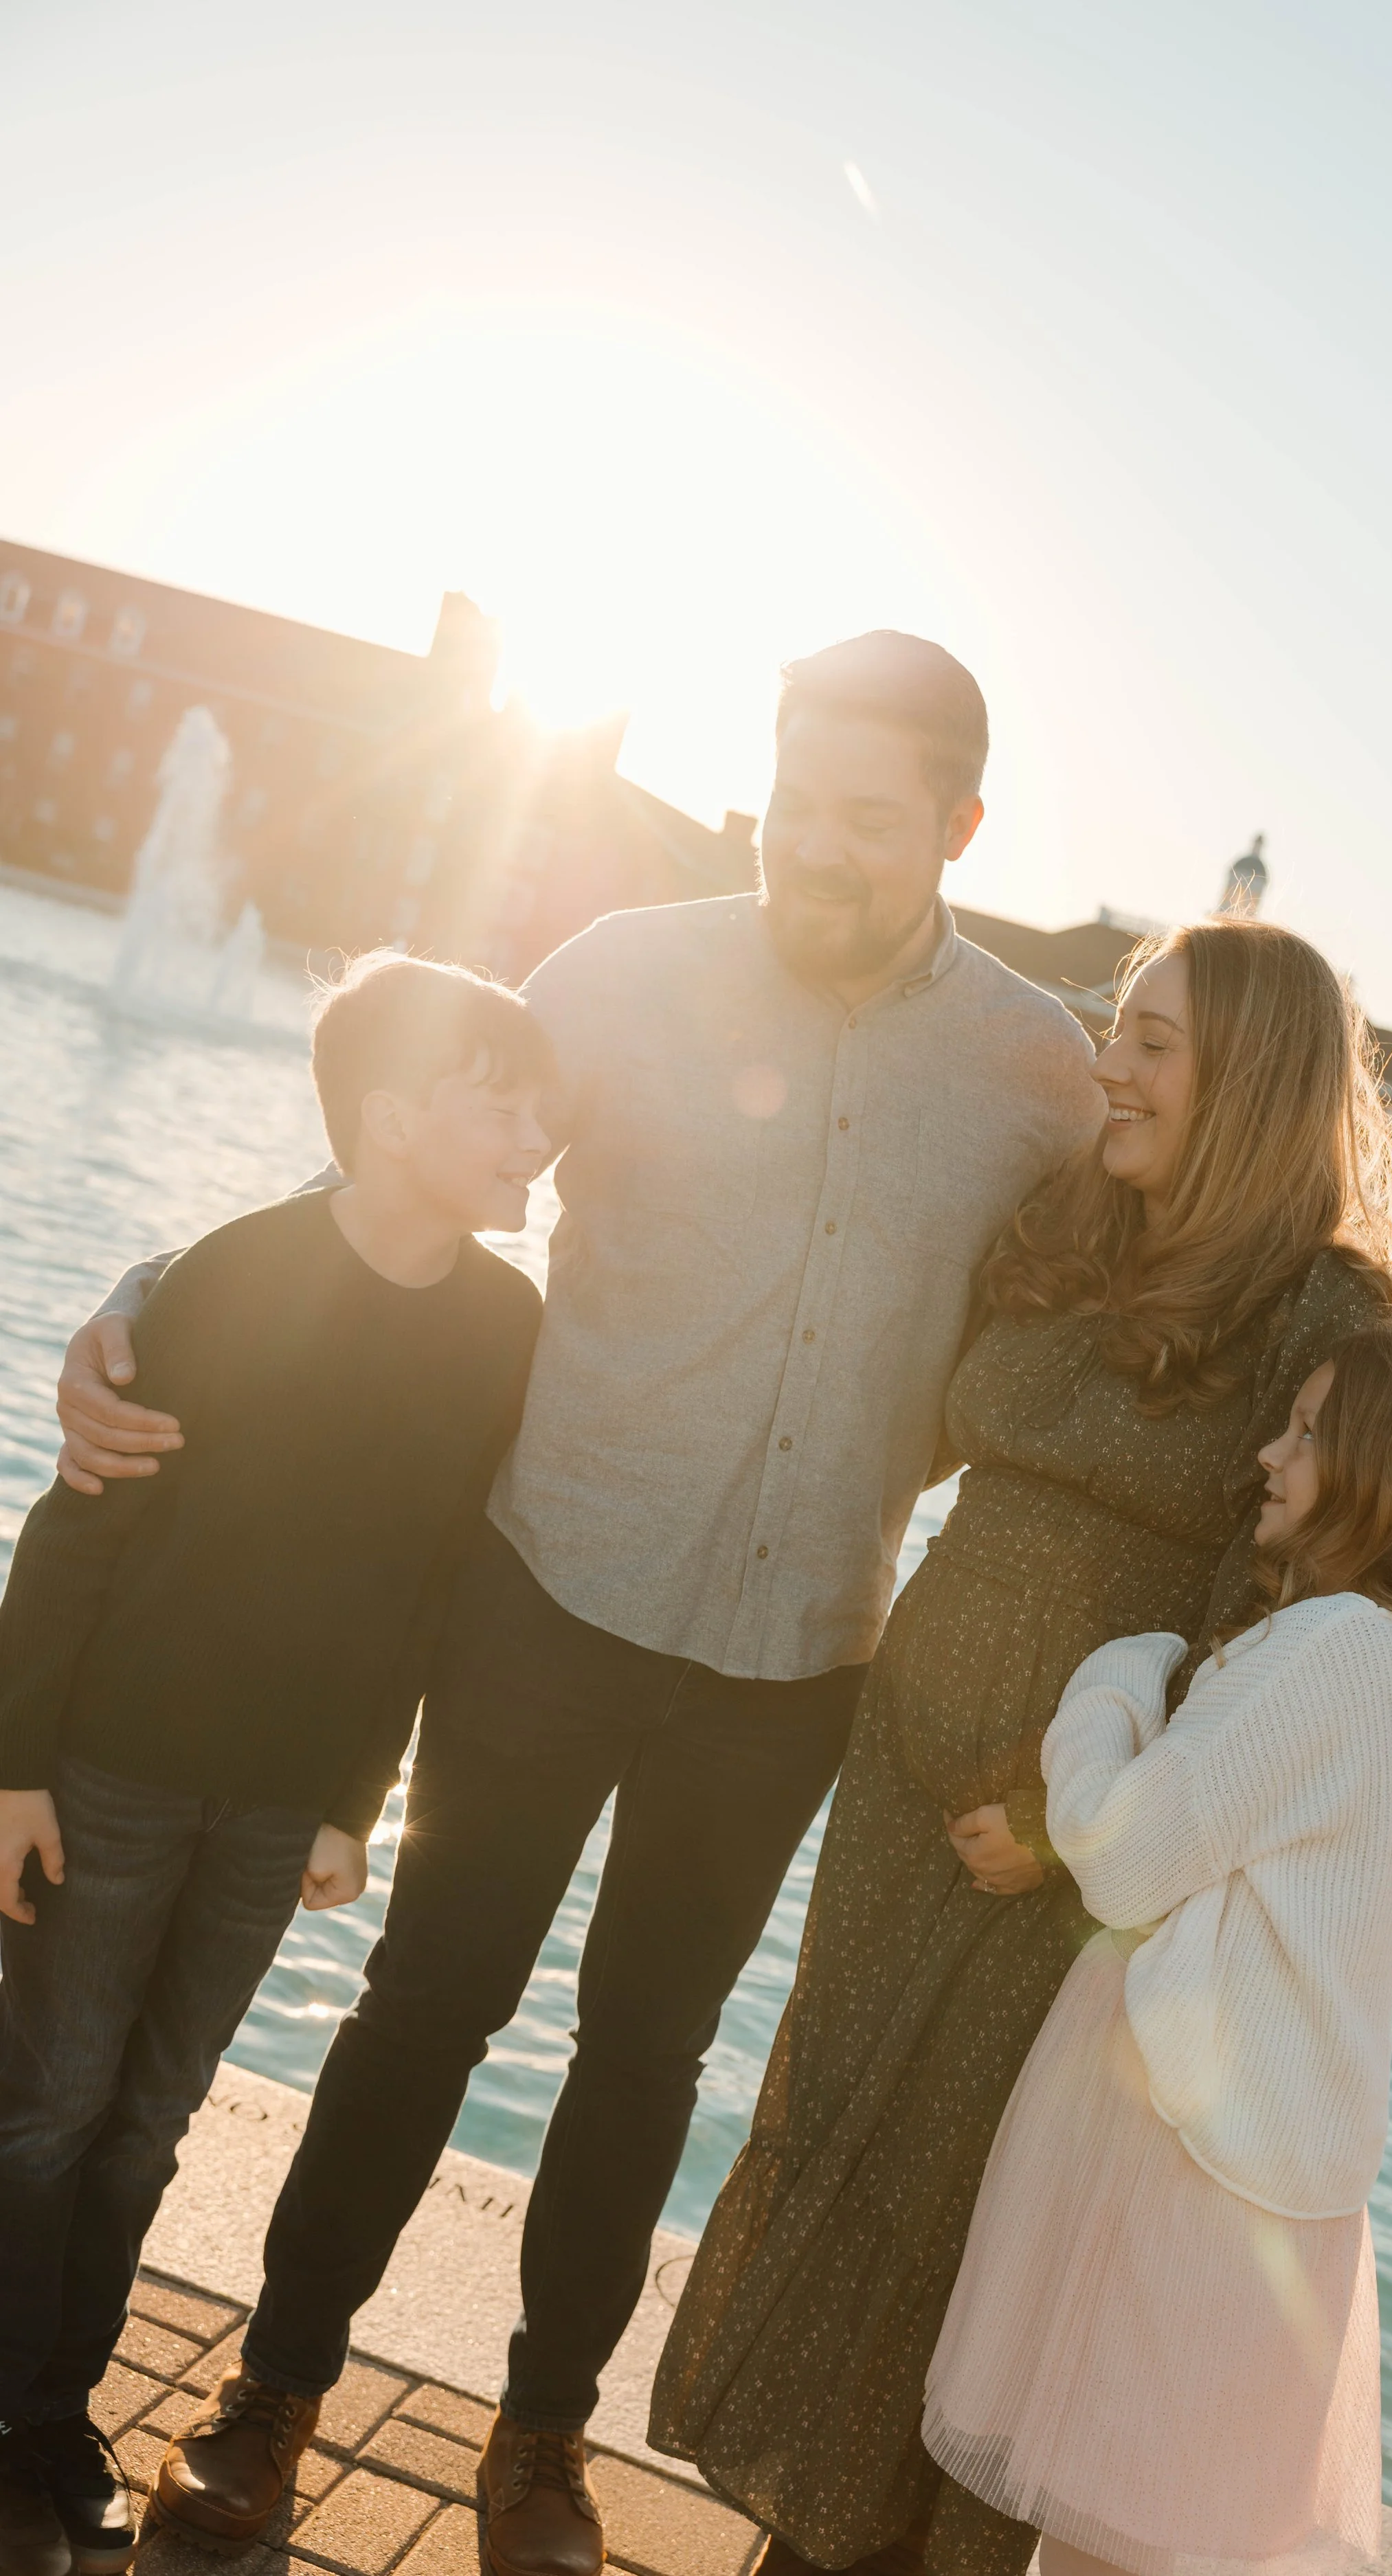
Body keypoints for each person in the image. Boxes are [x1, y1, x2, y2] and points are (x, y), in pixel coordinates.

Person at [51, 634, 1103, 2576]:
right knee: (426, 2004)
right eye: (794, 800)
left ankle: (539, 2442)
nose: (817, 849)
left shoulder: (1041, 1066)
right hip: (543, 1593)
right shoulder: (612, 977)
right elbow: (388, 1183)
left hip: (796, 1655)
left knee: (644, 2057)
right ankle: (274, 2394)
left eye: (869, 821)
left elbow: (1156, 1271)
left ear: (959, 826)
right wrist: (138, 1301)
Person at [649, 913, 1392, 2576]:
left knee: (966, 2205)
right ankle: (793, 2537)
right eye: (1116, 1026)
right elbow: (868, 1378)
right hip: (894, 1780)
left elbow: (1267, 1601)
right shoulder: (1071, 1219)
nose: (1111, 1064)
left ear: (1253, 1078)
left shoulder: (1324, 1308)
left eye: (1155, 1042)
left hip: (1069, 1834)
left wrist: (1054, 1812)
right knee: (838, 2134)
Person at [0, 956, 549, 2576]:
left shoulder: (507, 1329)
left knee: (154, 2116)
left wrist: (349, 1803)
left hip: (271, 1806)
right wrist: (13, 1766)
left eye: (542, 1102)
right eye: (497, 1099)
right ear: (385, 1122)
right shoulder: (232, 1276)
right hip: (104, 1770)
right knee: (48, 2103)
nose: (539, 1132)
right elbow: (76, 1524)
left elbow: (430, 1586)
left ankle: (52, 2408)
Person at [923, 1325, 1392, 2576]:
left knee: (1124, 2536)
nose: (1271, 1453)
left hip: (1193, 2167)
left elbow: (1122, 1852)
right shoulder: (1383, 1659)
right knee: (1125, 2533)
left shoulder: (1339, 1652)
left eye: (1311, 1431)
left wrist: (1118, 1677)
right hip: (1233, 2151)